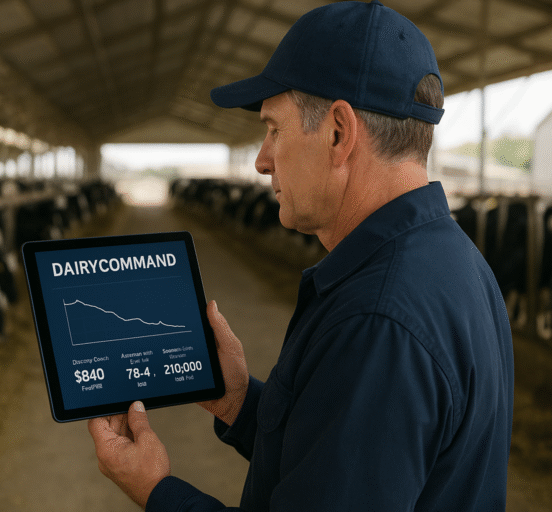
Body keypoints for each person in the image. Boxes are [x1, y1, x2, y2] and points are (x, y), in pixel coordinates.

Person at [88, 1, 514, 510]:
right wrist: (241, 401)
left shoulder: (377, 320)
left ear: (338, 132)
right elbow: (347, 454)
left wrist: (157, 491)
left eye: (273, 130)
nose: (261, 160)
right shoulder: (455, 261)